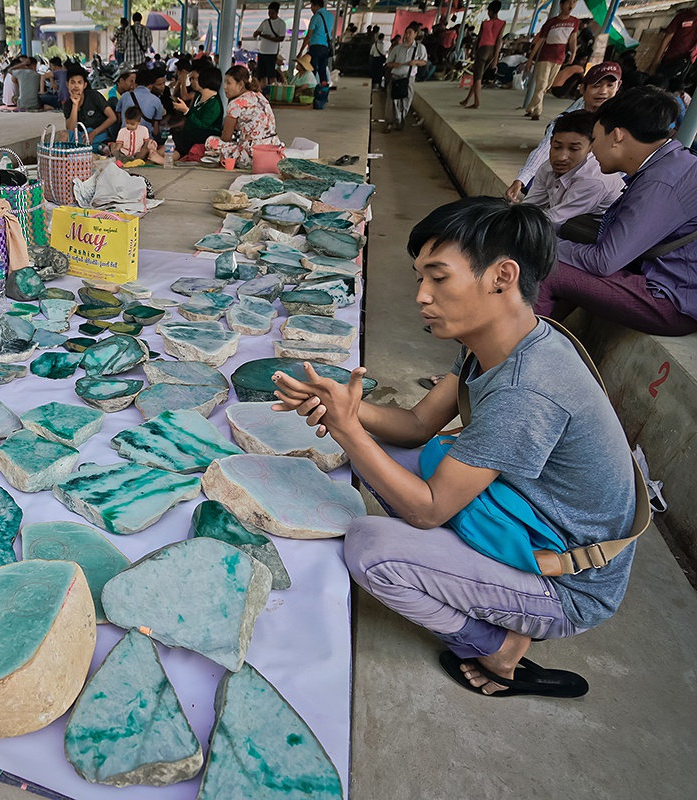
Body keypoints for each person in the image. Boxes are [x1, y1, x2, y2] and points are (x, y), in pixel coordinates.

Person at [275, 197, 639, 698]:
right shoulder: (500, 341)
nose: (422, 295)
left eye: (439, 278)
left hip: (570, 583)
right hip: (530, 518)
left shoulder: (527, 390)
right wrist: (347, 408)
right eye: (419, 277)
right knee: (395, 460)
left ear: (502, 276)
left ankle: (495, 646)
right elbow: (418, 424)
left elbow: (426, 511)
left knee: (370, 548)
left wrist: (347, 432)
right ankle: (470, 577)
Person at [535, 87, 697, 337]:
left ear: (617, 136)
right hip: (668, 283)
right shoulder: (669, 164)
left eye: (596, 139)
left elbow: (604, 261)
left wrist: (540, 243)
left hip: (672, 300)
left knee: (550, 270)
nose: (592, 151)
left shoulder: (660, 182)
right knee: (570, 247)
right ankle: (537, 338)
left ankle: (507, 359)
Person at [504, 61, 621, 202]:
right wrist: (521, 179)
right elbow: (545, 147)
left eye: (610, 86)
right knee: (537, 179)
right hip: (575, 175)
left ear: (618, 87)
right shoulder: (569, 116)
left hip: (600, 181)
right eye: (596, 86)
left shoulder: (620, 123)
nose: (603, 92)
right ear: (582, 89)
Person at [521, 110, 625, 230]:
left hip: (603, 231)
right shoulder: (547, 167)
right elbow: (530, 206)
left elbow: (555, 220)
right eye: (557, 147)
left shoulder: (593, 180)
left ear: (591, 147)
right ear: (551, 142)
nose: (561, 157)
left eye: (574, 149)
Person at [203, 64, 280, 169]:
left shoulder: (236, 104)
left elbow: (226, 138)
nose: (225, 87)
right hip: (273, 151)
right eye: (224, 82)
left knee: (211, 141)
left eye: (229, 83)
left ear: (240, 85)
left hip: (252, 156)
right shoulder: (259, 95)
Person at [524, 0, 580, 121]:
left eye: (574, 2)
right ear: (561, 5)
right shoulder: (551, 22)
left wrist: (573, 52)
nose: (571, 6)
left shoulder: (574, 22)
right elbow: (540, 41)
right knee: (542, 84)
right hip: (545, 57)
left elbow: (573, 39)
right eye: (568, 3)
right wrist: (530, 59)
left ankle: (530, 107)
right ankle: (537, 112)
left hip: (559, 58)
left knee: (545, 86)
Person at [172, 65, 224, 158]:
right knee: (177, 137)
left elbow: (203, 126)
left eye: (194, 78)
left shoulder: (214, 104)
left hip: (203, 138)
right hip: (189, 134)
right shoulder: (198, 96)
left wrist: (187, 111)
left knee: (181, 141)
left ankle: (165, 158)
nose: (192, 82)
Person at [460, 1, 505, 110]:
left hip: (483, 49)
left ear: (489, 11)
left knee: (477, 77)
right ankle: (467, 99)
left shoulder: (485, 23)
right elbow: (499, 40)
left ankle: (476, 102)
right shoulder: (502, 23)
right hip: (493, 50)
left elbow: (479, 38)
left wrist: (474, 51)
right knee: (479, 76)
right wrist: (496, 57)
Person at [384, 26, 428, 133]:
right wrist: (394, 64)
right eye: (406, 33)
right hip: (396, 77)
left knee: (406, 101)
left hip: (408, 78)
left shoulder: (420, 48)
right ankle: (390, 122)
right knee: (392, 101)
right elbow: (388, 63)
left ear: (415, 34)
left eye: (410, 33)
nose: (407, 35)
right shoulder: (398, 48)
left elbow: (424, 62)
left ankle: (400, 120)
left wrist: (416, 62)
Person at [63, 65, 117, 152]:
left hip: (99, 136)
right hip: (81, 138)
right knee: (64, 135)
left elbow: (112, 117)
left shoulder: (94, 96)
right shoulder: (68, 104)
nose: (76, 86)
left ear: (84, 85)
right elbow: (70, 129)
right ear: (67, 84)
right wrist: (75, 105)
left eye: (79, 82)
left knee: (109, 148)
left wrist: (94, 133)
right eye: (72, 82)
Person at [650, 5, 697, 87]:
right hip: (670, 62)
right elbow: (666, 40)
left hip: (686, 66)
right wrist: (655, 63)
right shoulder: (683, 16)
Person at [115, 66, 165, 136]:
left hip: (125, 137)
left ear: (136, 84)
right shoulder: (156, 100)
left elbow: (119, 118)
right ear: (151, 86)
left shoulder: (125, 96)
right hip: (145, 139)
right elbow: (156, 130)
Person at [298, 0, 335, 89]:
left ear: (315, 5)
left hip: (316, 47)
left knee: (312, 70)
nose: (311, 9)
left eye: (311, 6)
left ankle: (312, 91)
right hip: (326, 47)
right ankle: (323, 91)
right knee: (322, 70)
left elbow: (308, 36)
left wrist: (301, 51)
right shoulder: (330, 16)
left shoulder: (316, 17)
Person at [253, 2, 287, 87]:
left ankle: (273, 91)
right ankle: (263, 91)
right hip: (262, 51)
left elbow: (281, 38)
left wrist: (266, 36)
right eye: (269, 12)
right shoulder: (265, 22)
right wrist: (258, 33)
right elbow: (256, 33)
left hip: (272, 52)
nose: (270, 14)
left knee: (272, 74)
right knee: (262, 75)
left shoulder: (281, 23)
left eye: (272, 12)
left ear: (277, 12)